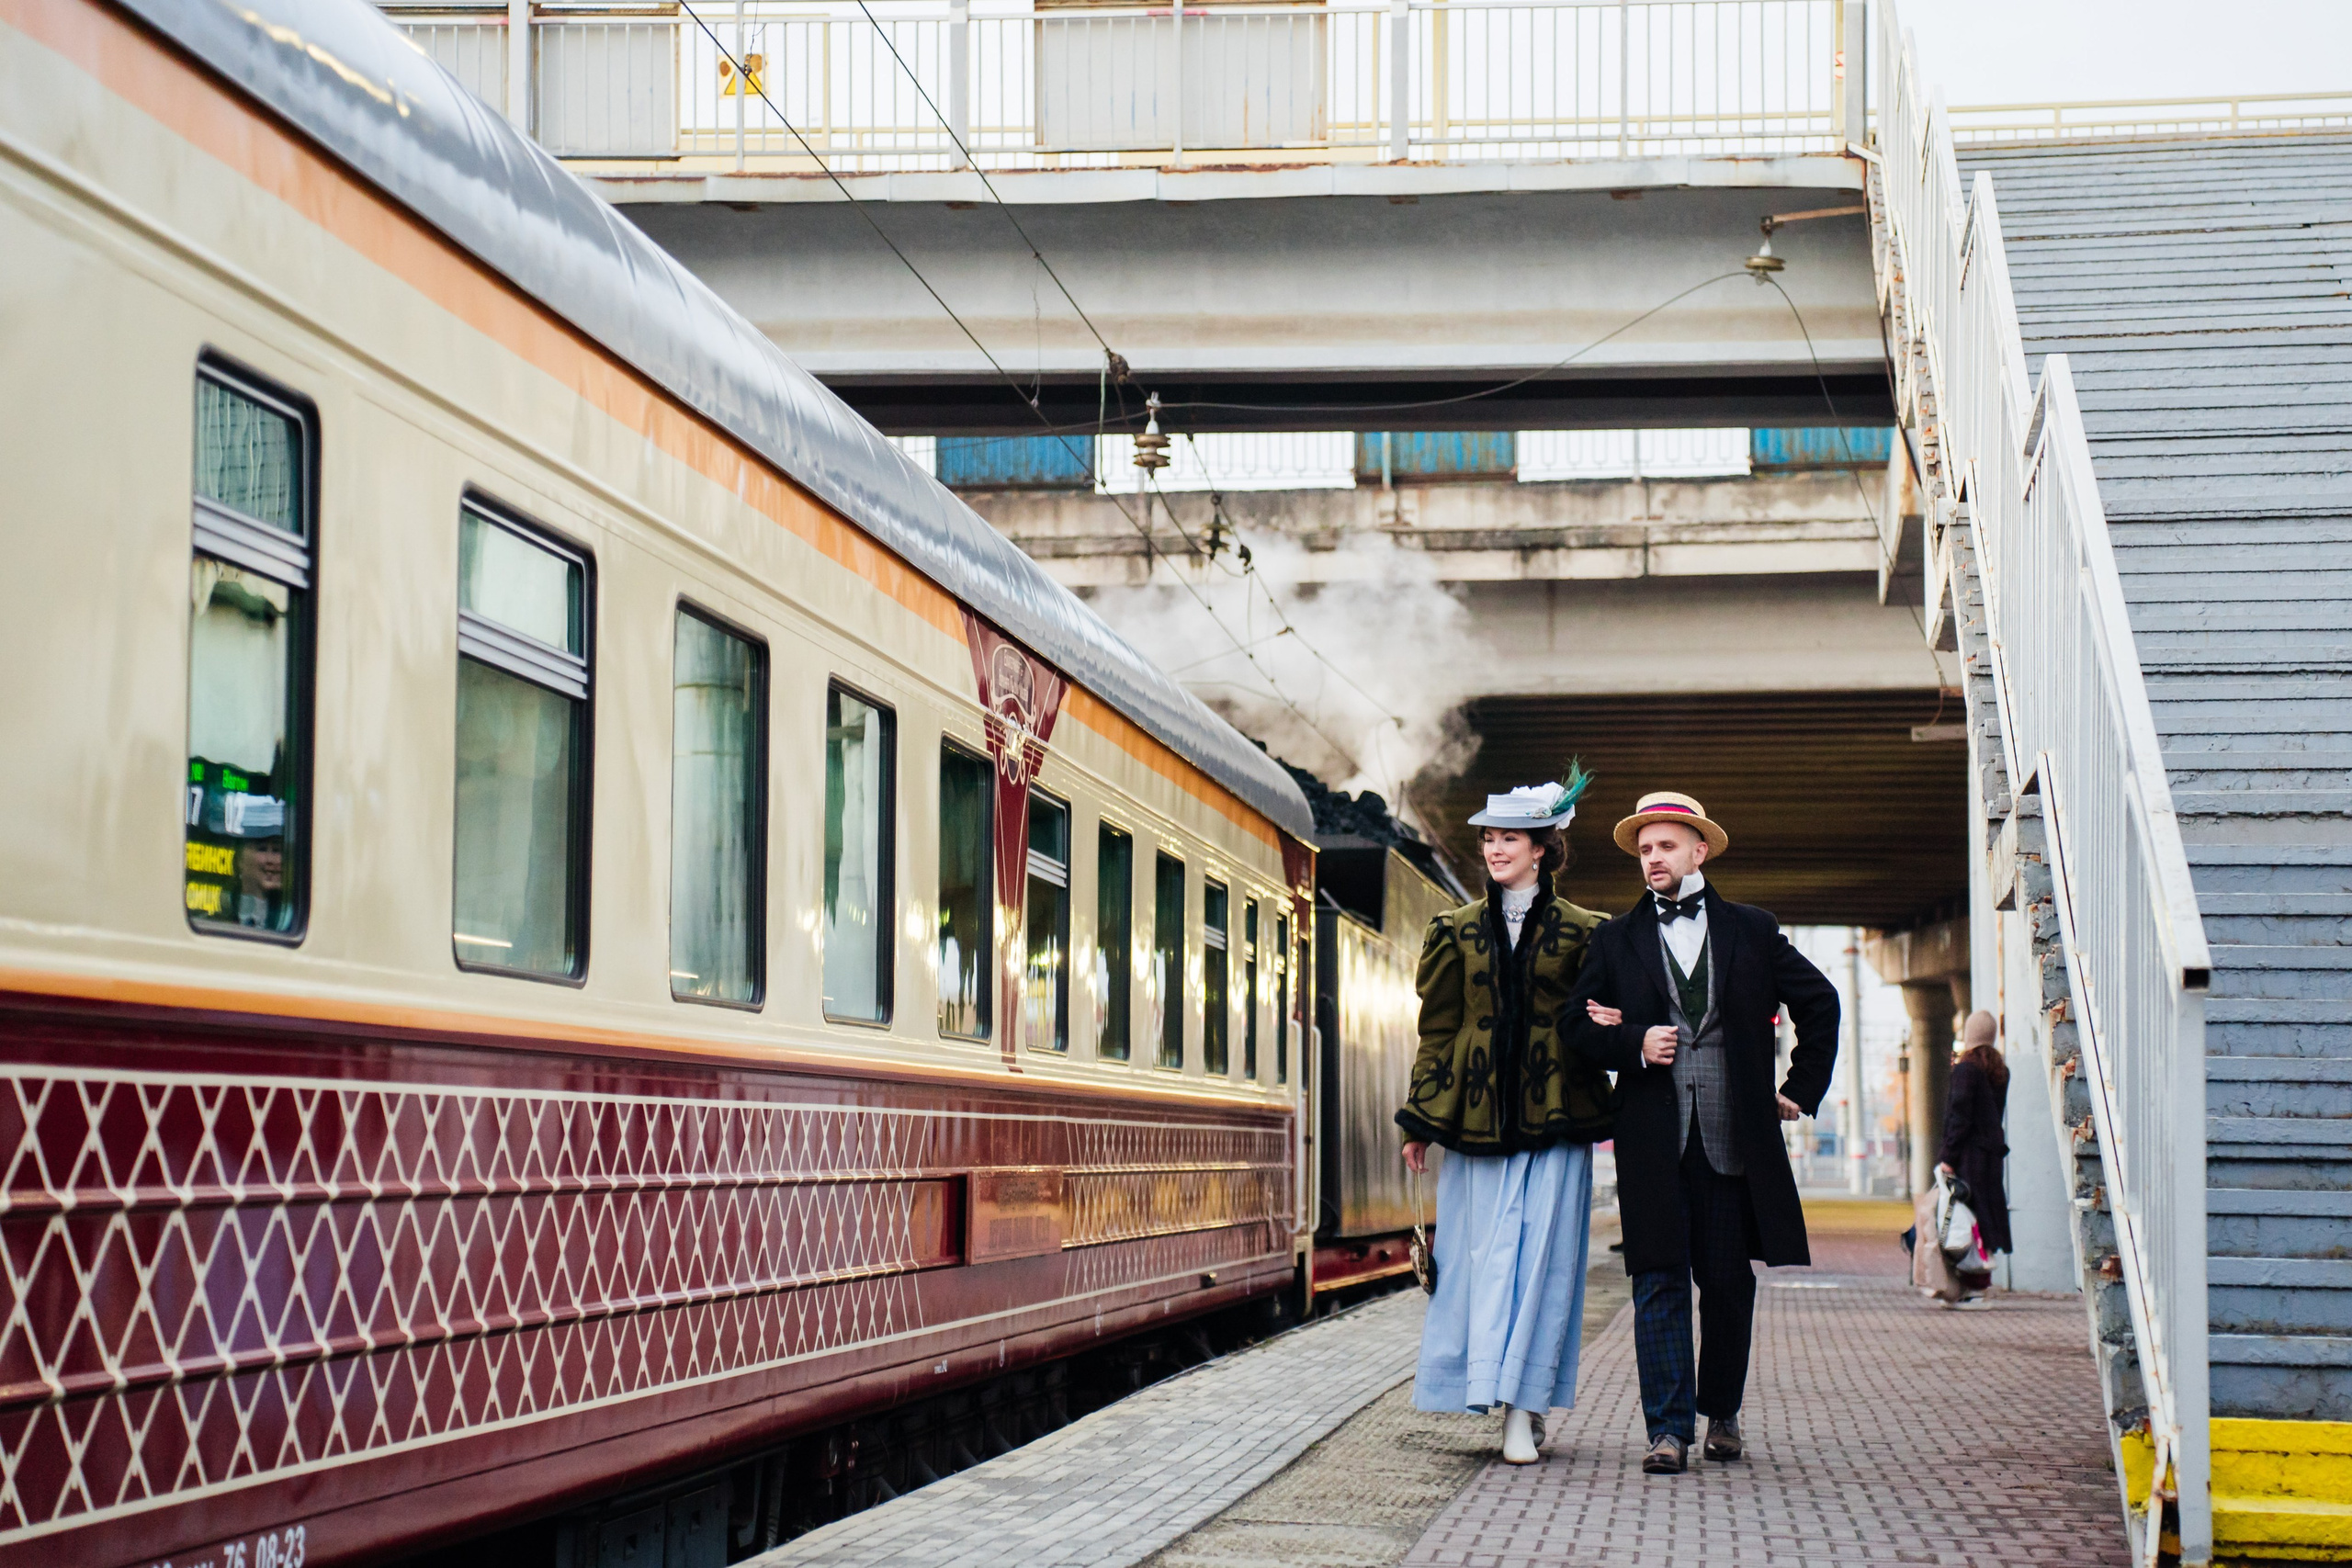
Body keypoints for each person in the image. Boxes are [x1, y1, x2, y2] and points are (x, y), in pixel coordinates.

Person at [1562, 791, 1839, 1476]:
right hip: (1652, 1140)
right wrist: (1632, 1041)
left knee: (1725, 1283)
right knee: (1655, 1281)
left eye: (1663, 847)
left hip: (1731, 1140)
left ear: (1698, 850)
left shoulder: (1752, 928)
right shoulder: (1613, 939)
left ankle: (1723, 1414)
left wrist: (1799, 1090)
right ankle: (1666, 1430)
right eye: (1644, 850)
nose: (1651, 859)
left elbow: (1821, 1002)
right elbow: (1573, 1028)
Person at [1397, 773, 1613, 1466]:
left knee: (1544, 1267)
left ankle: (1525, 1408)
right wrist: (1419, 1120)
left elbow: (1603, 1021)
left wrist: (1613, 1021)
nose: (1494, 848)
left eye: (1508, 838)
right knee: (1482, 1265)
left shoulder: (1590, 934)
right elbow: (1437, 1031)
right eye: (1489, 838)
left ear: (1543, 848)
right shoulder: (1452, 932)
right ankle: (1494, 1400)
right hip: (1476, 1124)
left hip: (1558, 1121)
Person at [1939, 1010, 2013, 1269]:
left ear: (1969, 1034)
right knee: (1986, 1216)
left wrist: (1948, 1157)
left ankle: (1972, 1283)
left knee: (1964, 1219)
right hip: (1991, 1155)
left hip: (1968, 1157)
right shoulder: (2000, 1071)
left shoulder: (1966, 1070)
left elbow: (1959, 1116)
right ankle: (1982, 1278)